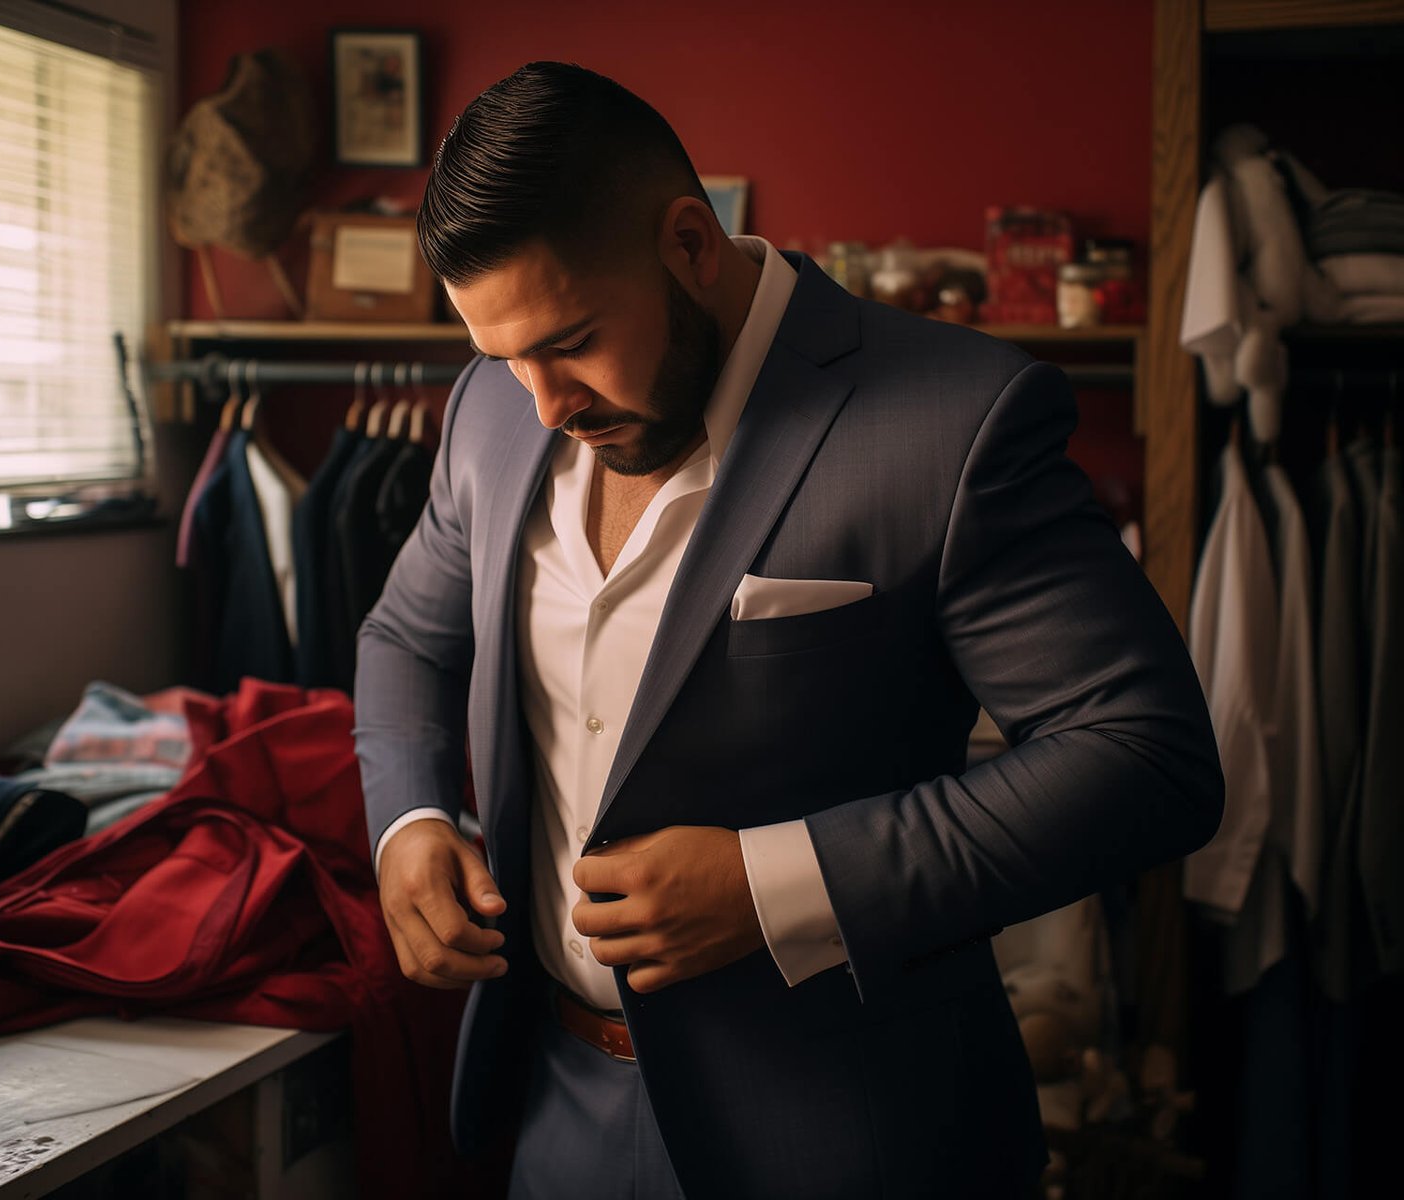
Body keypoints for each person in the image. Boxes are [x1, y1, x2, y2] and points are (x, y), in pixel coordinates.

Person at [355, 61, 1223, 1200]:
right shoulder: (490, 418)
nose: (544, 405)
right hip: (553, 1109)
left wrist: (776, 887)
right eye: (499, 354)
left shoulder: (957, 421)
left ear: (688, 243)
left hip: (853, 1136)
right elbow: (406, 639)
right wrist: (411, 820)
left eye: (567, 340)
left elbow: (1147, 760)